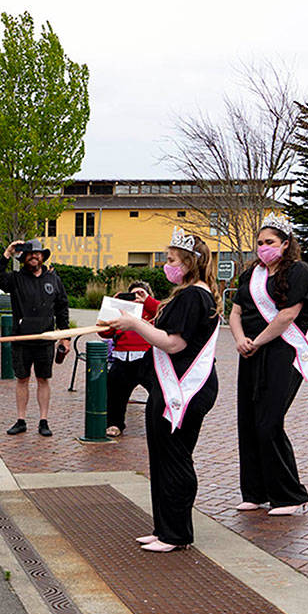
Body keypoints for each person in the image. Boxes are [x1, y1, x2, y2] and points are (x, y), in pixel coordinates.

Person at [109, 229, 220, 551]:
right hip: (169, 383)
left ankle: (176, 534)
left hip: (184, 389)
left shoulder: (194, 296)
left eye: (171, 260)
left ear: (188, 263)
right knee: (161, 456)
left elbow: (174, 343)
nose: (166, 265)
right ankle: (163, 528)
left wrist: (135, 325)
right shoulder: (187, 294)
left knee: (175, 457)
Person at [228, 213, 308, 516]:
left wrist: (257, 341)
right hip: (250, 352)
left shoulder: (299, 272)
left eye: (269, 242)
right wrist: (240, 339)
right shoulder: (251, 275)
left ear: (285, 243)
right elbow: (235, 313)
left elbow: (288, 315)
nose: (263, 247)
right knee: (248, 422)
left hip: (282, 352)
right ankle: (255, 492)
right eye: (259, 242)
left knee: (269, 423)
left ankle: (290, 495)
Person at [0, 239, 70, 436]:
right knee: (22, 379)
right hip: (22, 339)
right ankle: (21, 420)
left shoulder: (53, 279)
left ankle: (44, 421)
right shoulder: (15, 279)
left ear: (42, 256)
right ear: (24, 257)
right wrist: (7, 253)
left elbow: (62, 307)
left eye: (37, 253)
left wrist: (65, 336)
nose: (34, 256)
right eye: (29, 254)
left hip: (45, 339)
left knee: (43, 379)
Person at [104, 280, 160, 438]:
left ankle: (159, 425)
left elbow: (164, 314)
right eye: (132, 294)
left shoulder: (152, 310)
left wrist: (147, 301)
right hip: (122, 358)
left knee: (158, 393)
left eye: (140, 294)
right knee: (115, 393)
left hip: (146, 359)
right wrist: (113, 306)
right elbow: (104, 332)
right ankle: (114, 423)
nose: (136, 297)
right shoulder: (122, 312)